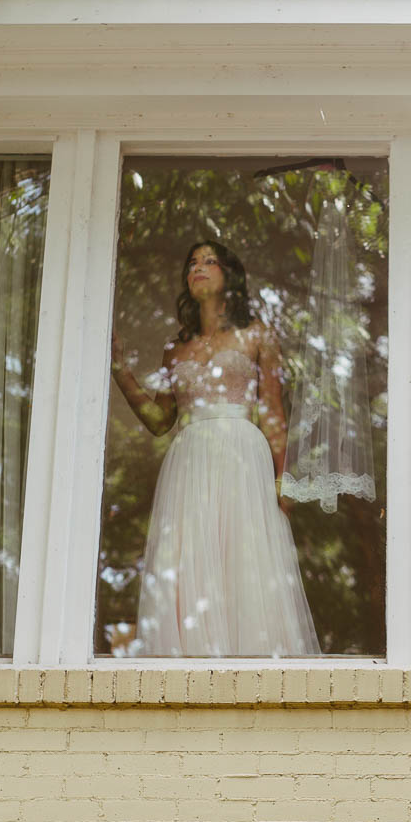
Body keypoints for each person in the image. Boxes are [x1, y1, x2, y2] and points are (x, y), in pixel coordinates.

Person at [109, 241, 320, 656]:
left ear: (230, 277)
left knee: (244, 559)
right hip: (189, 460)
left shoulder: (257, 334)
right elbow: (158, 421)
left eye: (209, 261)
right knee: (192, 563)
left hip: (243, 453)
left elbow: (273, 412)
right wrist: (120, 370)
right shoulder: (175, 348)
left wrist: (283, 480)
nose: (197, 267)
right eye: (192, 263)